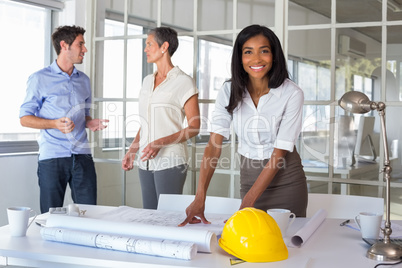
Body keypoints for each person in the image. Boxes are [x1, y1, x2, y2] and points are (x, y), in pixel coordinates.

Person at [179, 24, 307, 226]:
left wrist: (247, 203)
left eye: (264, 51)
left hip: (286, 181)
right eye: (248, 52)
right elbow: (214, 145)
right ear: (240, 57)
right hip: (249, 177)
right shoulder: (229, 90)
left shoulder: (292, 93)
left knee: (286, 245)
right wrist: (200, 197)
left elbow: (279, 153)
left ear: (274, 55)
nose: (256, 59)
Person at [19, 25, 109, 213]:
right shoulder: (39, 78)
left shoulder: (84, 80)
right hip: (53, 157)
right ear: (64, 45)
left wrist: (89, 121)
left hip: (82, 155)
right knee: (50, 216)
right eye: (80, 44)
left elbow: (84, 115)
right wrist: (53, 123)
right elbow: (24, 118)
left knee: (89, 213)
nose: (84, 49)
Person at [122, 27, 200, 209]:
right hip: (145, 160)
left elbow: (195, 126)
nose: (145, 49)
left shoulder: (184, 82)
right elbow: (146, 121)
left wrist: (160, 143)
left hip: (171, 160)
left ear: (164, 46)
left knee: (168, 217)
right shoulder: (147, 81)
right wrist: (132, 150)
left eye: (149, 44)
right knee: (149, 216)